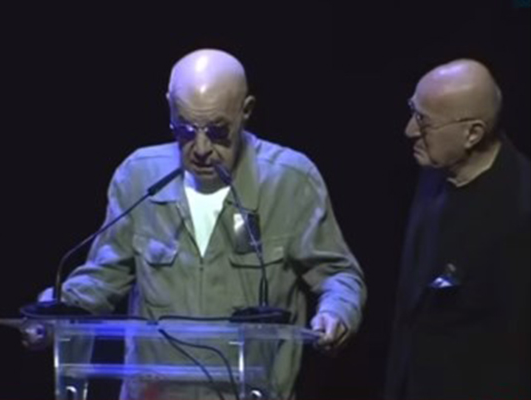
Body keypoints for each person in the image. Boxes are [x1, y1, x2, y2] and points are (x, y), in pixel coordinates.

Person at [26, 48, 366, 399]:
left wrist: (336, 313)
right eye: (185, 130)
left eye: (217, 131)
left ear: (246, 110)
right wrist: (56, 309)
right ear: (169, 109)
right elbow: (102, 276)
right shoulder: (139, 177)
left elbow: (338, 274)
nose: (201, 148)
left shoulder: (290, 180)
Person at [385, 59, 530, 400]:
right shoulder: (433, 172)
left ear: (472, 134)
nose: (409, 130)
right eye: (413, 111)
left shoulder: (521, 212)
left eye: (424, 121)